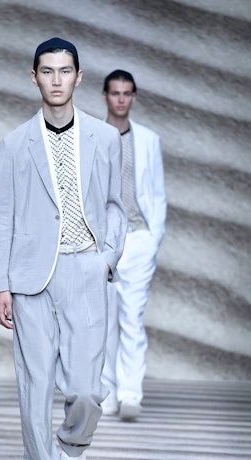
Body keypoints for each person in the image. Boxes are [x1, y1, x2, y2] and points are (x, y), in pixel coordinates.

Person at [0, 39, 126, 460]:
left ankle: (72, 447)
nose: (56, 79)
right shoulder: (14, 143)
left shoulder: (105, 139)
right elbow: (2, 217)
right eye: (46, 71)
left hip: (85, 269)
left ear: (79, 77)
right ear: (34, 77)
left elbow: (114, 205)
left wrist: (106, 259)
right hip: (30, 280)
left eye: (64, 70)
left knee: (88, 388)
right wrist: (1, 284)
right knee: (35, 385)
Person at [101, 70, 166, 420]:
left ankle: (130, 394)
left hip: (139, 240)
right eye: (115, 93)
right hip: (106, 242)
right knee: (104, 319)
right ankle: (107, 393)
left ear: (134, 97)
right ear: (105, 96)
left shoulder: (149, 140)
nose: (121, 99)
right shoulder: (92, 137)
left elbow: (156, 193)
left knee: (132, 319)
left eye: (127, 93)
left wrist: (154, 237)